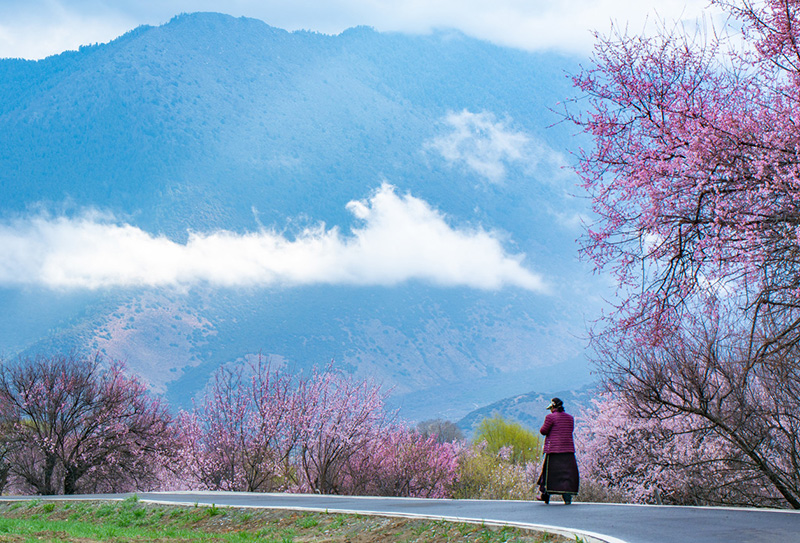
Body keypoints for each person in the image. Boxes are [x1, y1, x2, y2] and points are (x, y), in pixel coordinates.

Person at [536, 397, 579, 504]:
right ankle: (567, 496)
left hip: (554, 450)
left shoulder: (550, 417)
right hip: (568, 451)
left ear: (553, 407)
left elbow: (543, 431)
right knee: (567, 474)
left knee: (549, 474)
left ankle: (545, 495)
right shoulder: (570, 418)